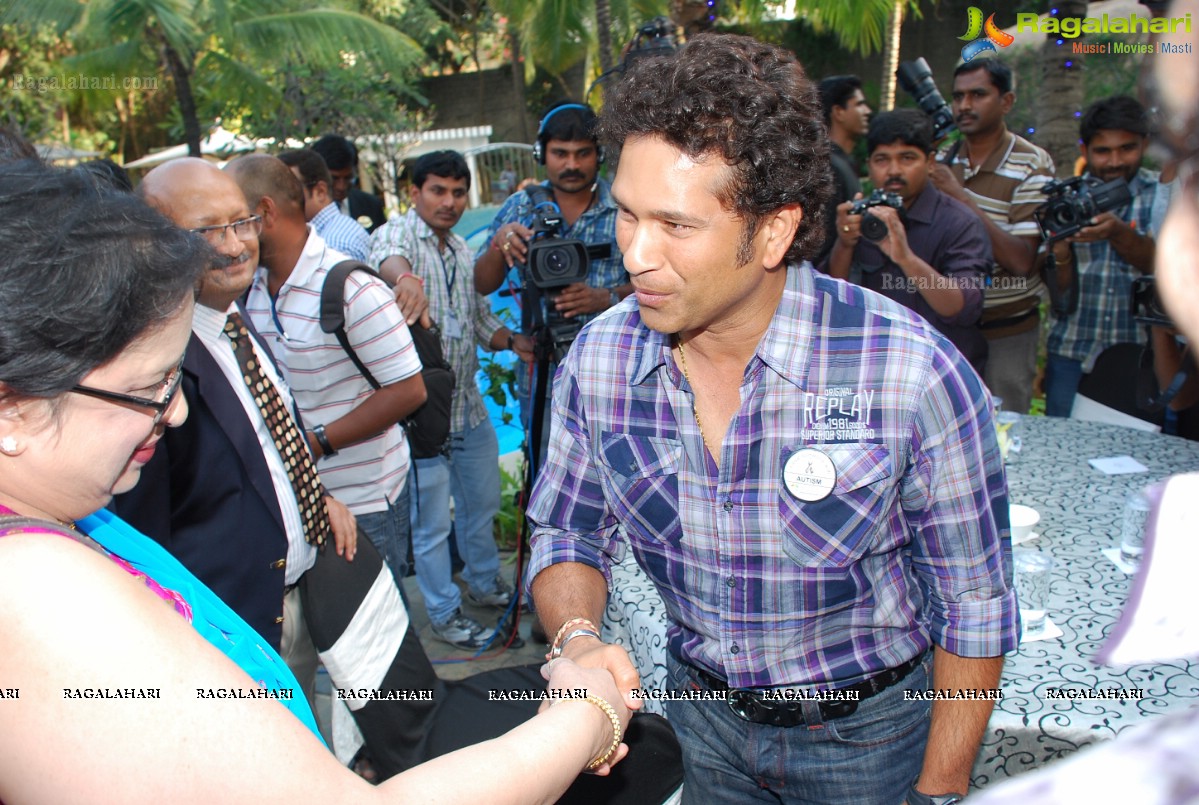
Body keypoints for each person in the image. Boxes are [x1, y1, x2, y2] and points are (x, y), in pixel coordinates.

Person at [0, 158, 639, 803]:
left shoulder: (234, 320)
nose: (177, 411)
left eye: (241, 222)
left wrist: (315, 492)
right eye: (145, 390)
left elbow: (268, 436)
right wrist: (586, 718)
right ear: (13, 407)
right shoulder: (42, 595)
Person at [526, 33, 1017, 805]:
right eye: (625, 215)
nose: (635, 254)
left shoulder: (907, 371)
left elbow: (974, 606)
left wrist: (938, 790)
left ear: (775, 231)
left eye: (676, 225)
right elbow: (565, 530)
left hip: (869, 737)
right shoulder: (599, 362)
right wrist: (577, 639)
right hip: (701, 722)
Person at [228, 154, 422, 592]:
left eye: (235, 219)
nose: (227, 236)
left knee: (373, 638)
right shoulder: (252, 289)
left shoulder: (352, 288)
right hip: (303, 497)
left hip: (366, 498)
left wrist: (318, 441)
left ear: (266, 212)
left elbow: (409, 390)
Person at [368, 150, 533, 648]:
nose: (450, 201)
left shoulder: (461, 248)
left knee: (481, 507)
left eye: (458, 192)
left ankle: (484, 583)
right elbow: (389, 260)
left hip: (469, 411)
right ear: (414, 193)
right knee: (432, 527)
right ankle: (443, 612)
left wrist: (513, 341)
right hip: (422, 420)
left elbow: (479, 319)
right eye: (437, 190)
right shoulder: (399, 235)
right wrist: (403, 280)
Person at [473, 101, 630, 470]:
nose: (571, 164)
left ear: (600, 154)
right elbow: (481, 282)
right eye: (560, 153)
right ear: (542, 154)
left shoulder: (625, 205)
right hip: (542, 367)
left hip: (617, 366)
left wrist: (604, 298)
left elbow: (664, 282)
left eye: (582, 153)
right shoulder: (520, 207)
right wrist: (501, 242)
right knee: (549, 468)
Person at [822, 109, 990, 374]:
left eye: (907, 158)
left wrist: (906, 258)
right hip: (876, 368)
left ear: (931, 162)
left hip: (942, 372)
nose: (894, 171)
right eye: (882, 160)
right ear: (869, 164)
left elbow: (962, 310)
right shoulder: (864, 217)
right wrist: (844, 243)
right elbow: (833, 299)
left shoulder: (960, 222)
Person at [931, 57, 1055, 414]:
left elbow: (1021, 261)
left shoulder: (1032, 163)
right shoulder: (941, 158)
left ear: (1007, 102)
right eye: (958, 97)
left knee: (1005, 436)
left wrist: (959, 196)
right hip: (948, 330)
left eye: (978, 95)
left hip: (1006, 331)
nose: (964, 106)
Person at [1043, 95, 1174, 417]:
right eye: (1103, 151)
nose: (1115, 161)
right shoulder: (1066, 201)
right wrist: (1059, 250)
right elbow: (1057, 294)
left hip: (1142, 357)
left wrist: (1118, 233)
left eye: (1126, 148)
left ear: (1144, 145)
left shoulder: (1161, 195)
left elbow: (1166, 269)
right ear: (1085, 151)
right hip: (1072, 351)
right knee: (1063, 451)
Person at [278, 148, 371, 262]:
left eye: (289, 191)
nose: (279, 201)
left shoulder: (335, 245)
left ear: (320, 192)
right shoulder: (325, 238)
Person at [815, 74, 870, 264]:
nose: (867, 111)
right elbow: (823, 241)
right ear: (838, 112)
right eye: (859, 104)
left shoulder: (840, 162)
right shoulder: (830, 166)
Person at [311, 133, 387, 232]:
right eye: (334, 178)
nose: (341, 187)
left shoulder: (370, 205)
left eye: (348, 178)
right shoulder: (306, 210)